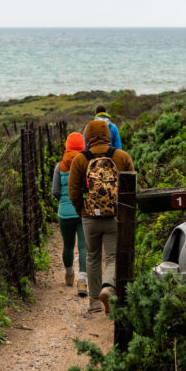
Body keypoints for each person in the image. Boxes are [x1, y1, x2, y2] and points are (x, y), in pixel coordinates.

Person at [68, 119, 135, 313]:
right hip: (115, 216)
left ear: (87, 135)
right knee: (113, 256)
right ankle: (108, 287)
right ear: (108, 133)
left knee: (93, 257)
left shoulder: (80, 159)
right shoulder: (122, 157)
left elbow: (73, 190)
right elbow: (131, 188)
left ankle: (94, 302)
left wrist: (82, 210)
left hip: (90, 217)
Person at [52, 132, 88, 295]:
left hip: (65, 213)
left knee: (67, 246)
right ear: (82, 147)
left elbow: (55, 191)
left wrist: (64, 201)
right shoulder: (86, 164)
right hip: (82, 210)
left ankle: (69, 274)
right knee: (83, 247)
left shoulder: (59, 166)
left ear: (67, 146)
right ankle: (82, 282)